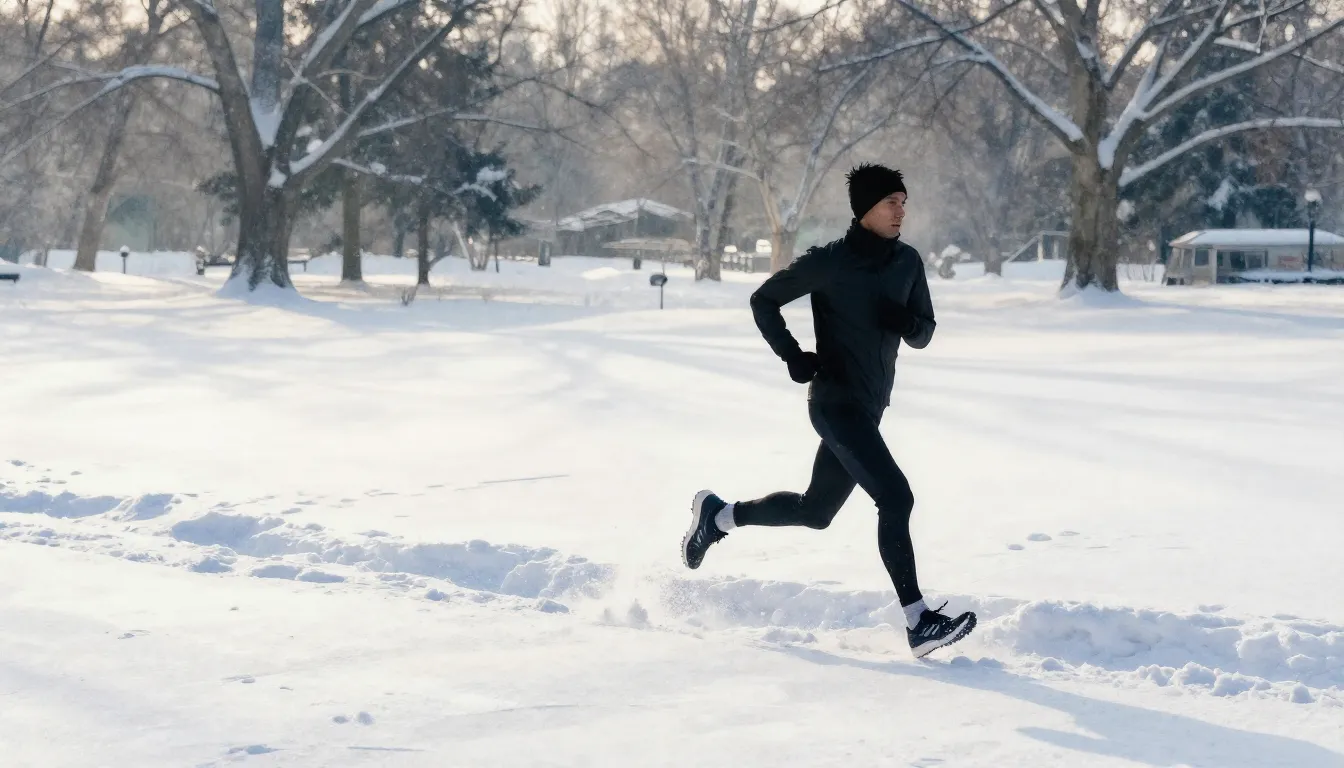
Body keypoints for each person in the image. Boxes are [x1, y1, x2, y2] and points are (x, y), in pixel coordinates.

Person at [681, 163, 976, 658]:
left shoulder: (907, 262)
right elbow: (763, 300)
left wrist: (903, 320)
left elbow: (924, 332)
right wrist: (793, 356)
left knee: (815, 512)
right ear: (866, 209)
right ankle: (918, 620)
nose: (901, 211)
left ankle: (718, 517)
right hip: (835, 404)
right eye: (891, 202)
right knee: (896, 498)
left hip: (870, 406)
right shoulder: (830, 261)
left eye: (904, 202)